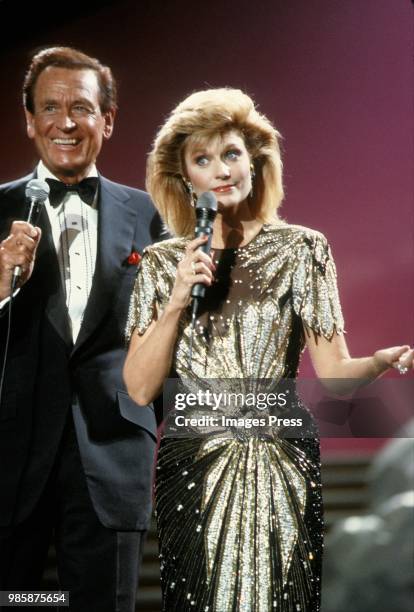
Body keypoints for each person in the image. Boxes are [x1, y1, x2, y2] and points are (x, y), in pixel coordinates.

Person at [123, 88, 414, 611]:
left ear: (256, 160)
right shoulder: (165, 262)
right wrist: (174, 303)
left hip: (282, 460)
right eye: (203, 159)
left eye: (231, 153)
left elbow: (333, 375)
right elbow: (140, 387)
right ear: (186, 177)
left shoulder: (304, 249)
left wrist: (377, 362)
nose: (221, 170)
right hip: (193, 467)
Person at [0, 47, 165, 611]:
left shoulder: (152, 215)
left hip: (113, 450)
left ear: (108, 120)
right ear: (28, 120)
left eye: (81, 108)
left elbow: (178, 334)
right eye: (49, 107)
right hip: (10, 457)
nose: (65, 122)